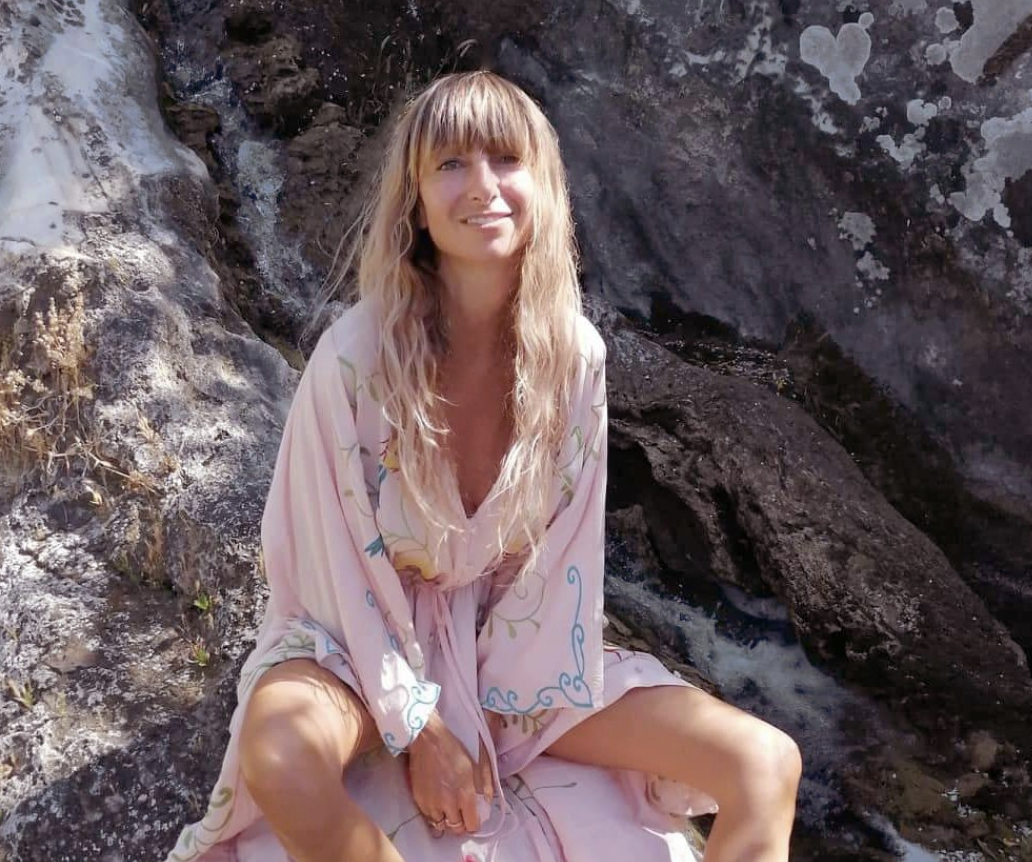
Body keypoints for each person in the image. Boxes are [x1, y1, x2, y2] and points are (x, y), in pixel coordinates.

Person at [164, 70, 801, 862]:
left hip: (514, 656)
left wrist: (490, 708)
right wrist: (423, 728)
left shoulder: (574, 360)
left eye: (505, 160)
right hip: (352, 650)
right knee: (282, 761)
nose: (482, 187)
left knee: (765, 763)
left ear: (543, 184)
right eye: (451, 165)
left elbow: (559, 567)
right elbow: (334, 575)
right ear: (416, 200)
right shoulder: (354, 358)